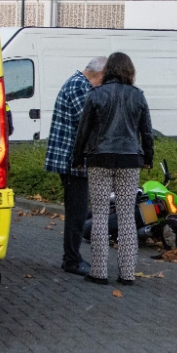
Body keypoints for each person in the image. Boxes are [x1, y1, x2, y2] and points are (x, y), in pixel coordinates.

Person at [72, 52, 153, 286]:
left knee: (99, 215)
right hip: (130, 161)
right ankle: (127, 274)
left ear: (108, 71)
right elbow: (146, 131)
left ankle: (99, 272)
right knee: (127, 216)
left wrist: (77, 158)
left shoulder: (96, 94)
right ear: (130, 71)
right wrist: (147, 157)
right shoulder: (138, 96)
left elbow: (83, 130)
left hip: (100, 159)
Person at [44, 56, 107, 276]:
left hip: (71, 160)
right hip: (73, 162)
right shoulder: (80, 87)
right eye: (104, 79)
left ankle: (72, 257)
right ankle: (71, 260)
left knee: (77, 211)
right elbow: (89, 122)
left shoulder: (77, 82)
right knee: (77, 213)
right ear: (98, 74)